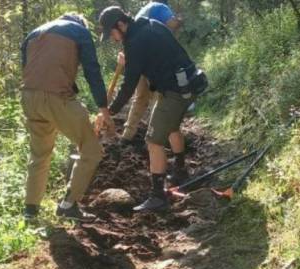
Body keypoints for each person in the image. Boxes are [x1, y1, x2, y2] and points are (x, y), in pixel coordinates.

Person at [99, 6, 206, 212]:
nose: (113, 39)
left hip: (175, 91)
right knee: (170, 126)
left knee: (153, 140)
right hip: (189, 82)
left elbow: (129, 85)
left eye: (112, 33)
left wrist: (110, 111)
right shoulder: (152, 25)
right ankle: (180, 170)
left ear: (121, 25)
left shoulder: (135, 42)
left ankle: (158, 196)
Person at [21, 14, 113, 222]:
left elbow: (27, 68)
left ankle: (30, 211)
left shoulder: (33, 33)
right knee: (91, 151)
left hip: (28, 97)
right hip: (56, 97)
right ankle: (67, 206)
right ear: (81, 23)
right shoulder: (79, 31)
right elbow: (92, 70)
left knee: (39, 154)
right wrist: (103, 108)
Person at [120, 0, 182, 141]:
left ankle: (128, 134)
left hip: (140, 60)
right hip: (155, 62)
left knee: (140, 97)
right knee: (159, 97)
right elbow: (172, 24)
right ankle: (156, 135)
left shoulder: (144, 10)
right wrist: (179, 20)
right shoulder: (160, 7)